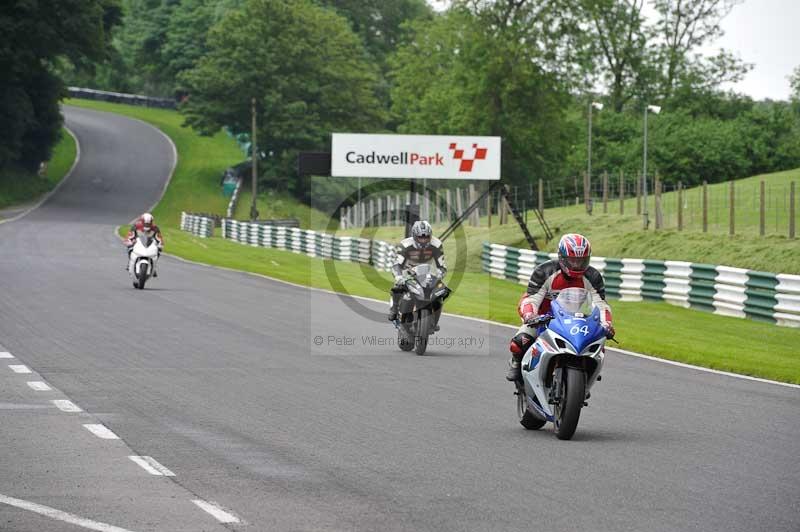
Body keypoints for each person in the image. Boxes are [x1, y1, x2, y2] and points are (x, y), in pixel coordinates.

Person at [506, 233, 614, 381]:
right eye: (572, 260)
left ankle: (586, 378)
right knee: (520, 342)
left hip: (574, 320)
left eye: (581, 261)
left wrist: (606, 324)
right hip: (543, 318)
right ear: (562, 257)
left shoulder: (593, 277)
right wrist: (530, 316)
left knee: (596, 347)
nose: (577, 265)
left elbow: (601, 305)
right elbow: (532, 299)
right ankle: (516, 363)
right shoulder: (544, 272)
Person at [388, 220, 447, 324]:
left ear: (431, 236)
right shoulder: (405, 245)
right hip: (408, 271)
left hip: (428, 272)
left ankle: (434, 321)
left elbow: (441, 266)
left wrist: (439, 275)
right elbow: (397, 264)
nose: (423, 240)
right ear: (414, 236)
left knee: (440, 293)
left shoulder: (437, 244)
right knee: (398, 287)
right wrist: (399, 277)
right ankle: (394, 308)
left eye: (426, 237)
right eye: (420, 237)